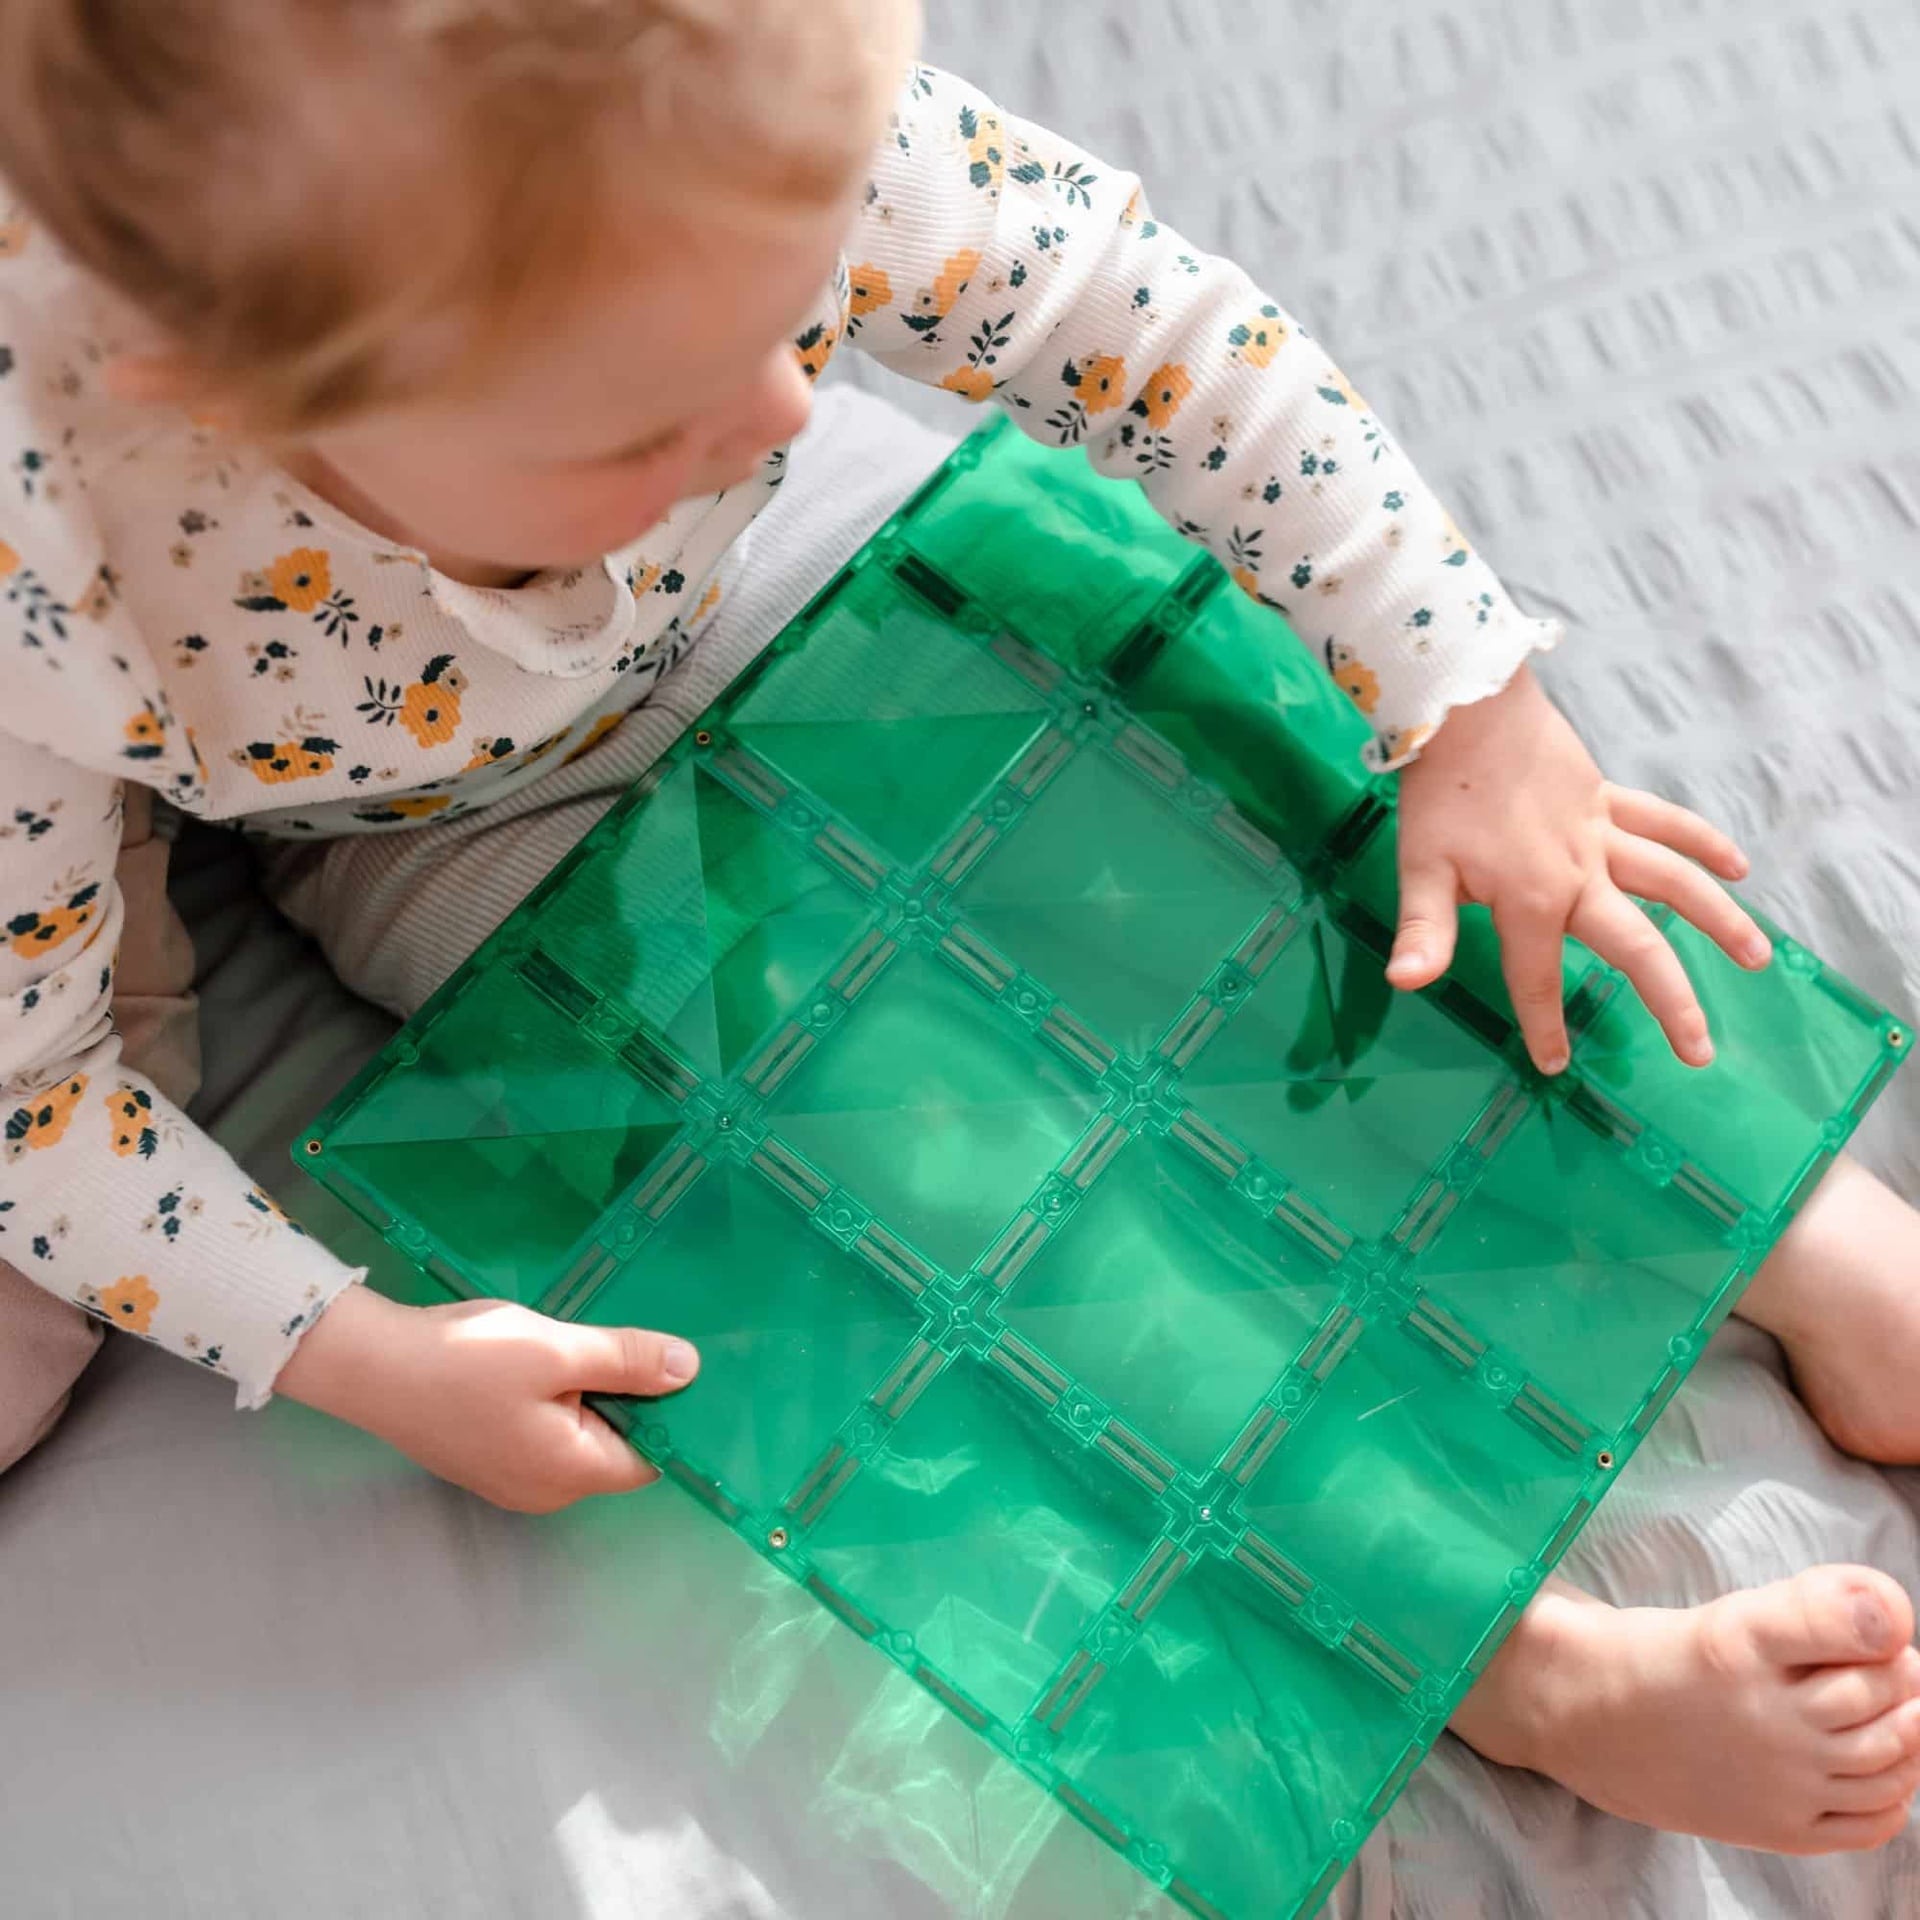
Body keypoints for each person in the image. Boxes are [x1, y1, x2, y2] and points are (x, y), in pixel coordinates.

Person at [1, 0, 1918, 1857]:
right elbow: (37, 1099)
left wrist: (1473, 703)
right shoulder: (53, 555)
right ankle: (1519, 1665)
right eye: (661, 396)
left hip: (775, 558)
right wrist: (349, 1347)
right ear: (257, 395)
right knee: (933, 1184)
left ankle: (1806, 1235)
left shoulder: (735, 168)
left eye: (805, 300)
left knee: (1287, 754)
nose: (793, 385)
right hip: (429, 820)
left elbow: (1161, 332)